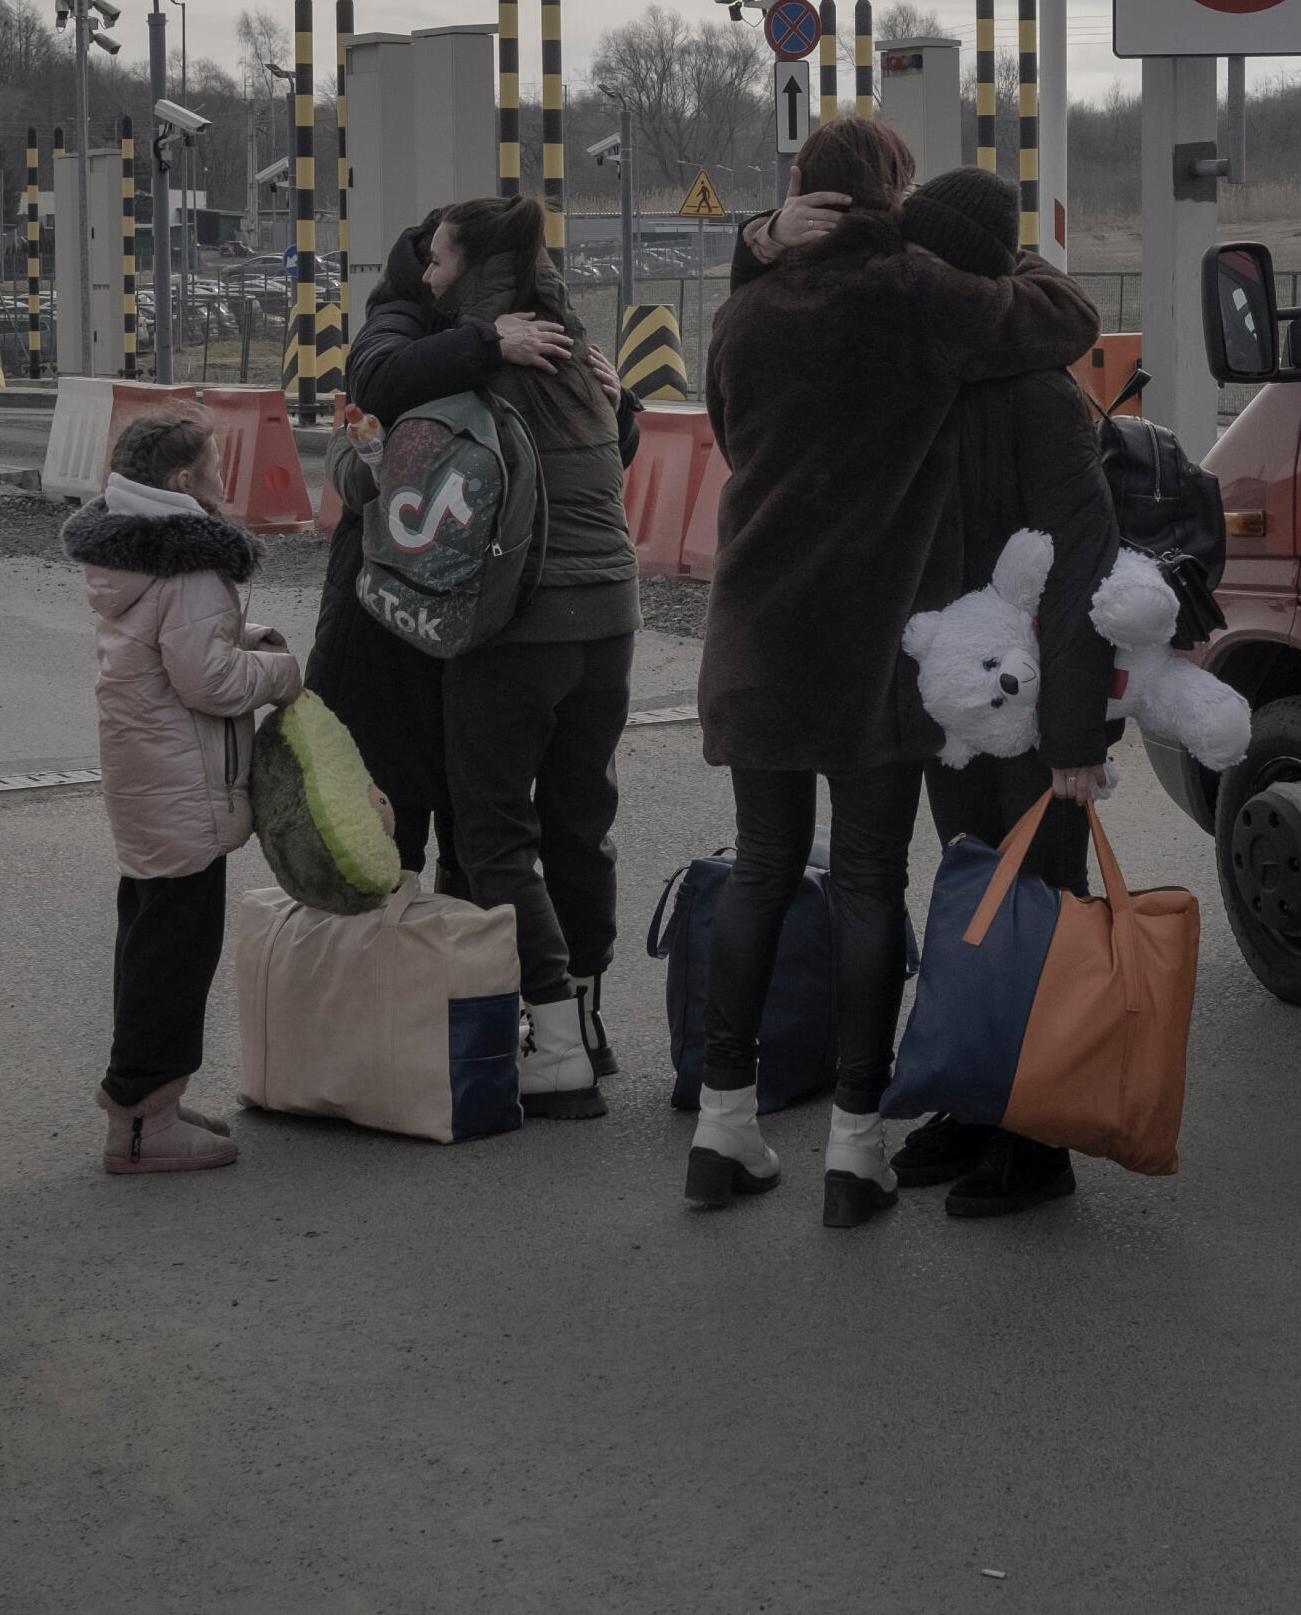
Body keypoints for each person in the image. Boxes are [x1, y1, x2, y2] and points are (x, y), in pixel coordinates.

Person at [689, 118, 1102, 1227]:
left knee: (764, 867)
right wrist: (1017, 258)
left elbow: (733, 433)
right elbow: (1068, 319)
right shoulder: (917, 294)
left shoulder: (743, 312)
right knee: (870, 881)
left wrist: (758, 242)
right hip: (868, 647)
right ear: (892, 192)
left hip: (752, 636)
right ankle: (853, 1151)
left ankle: (722, 1128)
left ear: (799, 192)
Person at [885, 168, 1119, 1220]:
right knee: (974, 899)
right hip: (959, 710)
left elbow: (1083, 566)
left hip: (1032, 712)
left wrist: (1072, 734)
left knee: (1038, 916)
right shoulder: (938, 374)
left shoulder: (1035, 392)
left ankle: (1040, 1138)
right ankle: (980, 1105)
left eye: (922, 257)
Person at [427, 194, 642, 1119]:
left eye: (439, 260)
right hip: (611, 621)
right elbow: (610, 455)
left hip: (521, 628)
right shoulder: (582, 359)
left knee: (494, 835)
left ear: (478, 270)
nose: (428, 275)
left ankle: (550, 1044)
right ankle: (588, 1026)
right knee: (579, 822)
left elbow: (413, 486)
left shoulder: (480, 370)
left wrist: (358, 464)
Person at [304, 209, 575, 896]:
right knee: (386, 834)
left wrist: (613, 403)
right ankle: (393, 984)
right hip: (386, 614)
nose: (431, 276)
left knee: (474, 832)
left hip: (468, 619)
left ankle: (466, 988)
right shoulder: (402, 316)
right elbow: (374, 388)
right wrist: (484, 343)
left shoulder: (527, 332)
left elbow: (587, 457)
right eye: (431, 263)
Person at [62, 410, 304, 1176]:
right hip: (185, 781)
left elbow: (176, 640)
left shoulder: (133, 559)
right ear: (182, 482)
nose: (222, 476)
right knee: (174, 954)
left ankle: (148, 1101)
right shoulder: (192, 564)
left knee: (149, 939)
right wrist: (282, 673)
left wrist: (246, 632)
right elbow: (209, 679)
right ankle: (142, 1124)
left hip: (147, 773)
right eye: (214, 464)